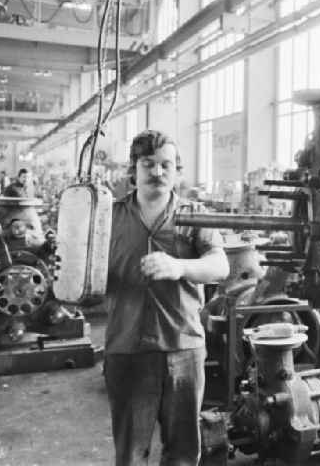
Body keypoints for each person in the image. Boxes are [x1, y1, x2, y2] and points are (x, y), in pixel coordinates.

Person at [105, 130, 228, 466]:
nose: (157, 172)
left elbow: (220, 266)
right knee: (130, 453)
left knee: (184, 452)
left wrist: (179, 266)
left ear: (178, 170)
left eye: (165, 164)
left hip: (182, 348)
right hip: (127, 348)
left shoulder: (194, 216)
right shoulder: (109, 217)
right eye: (148, 164)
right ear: (134, 169)